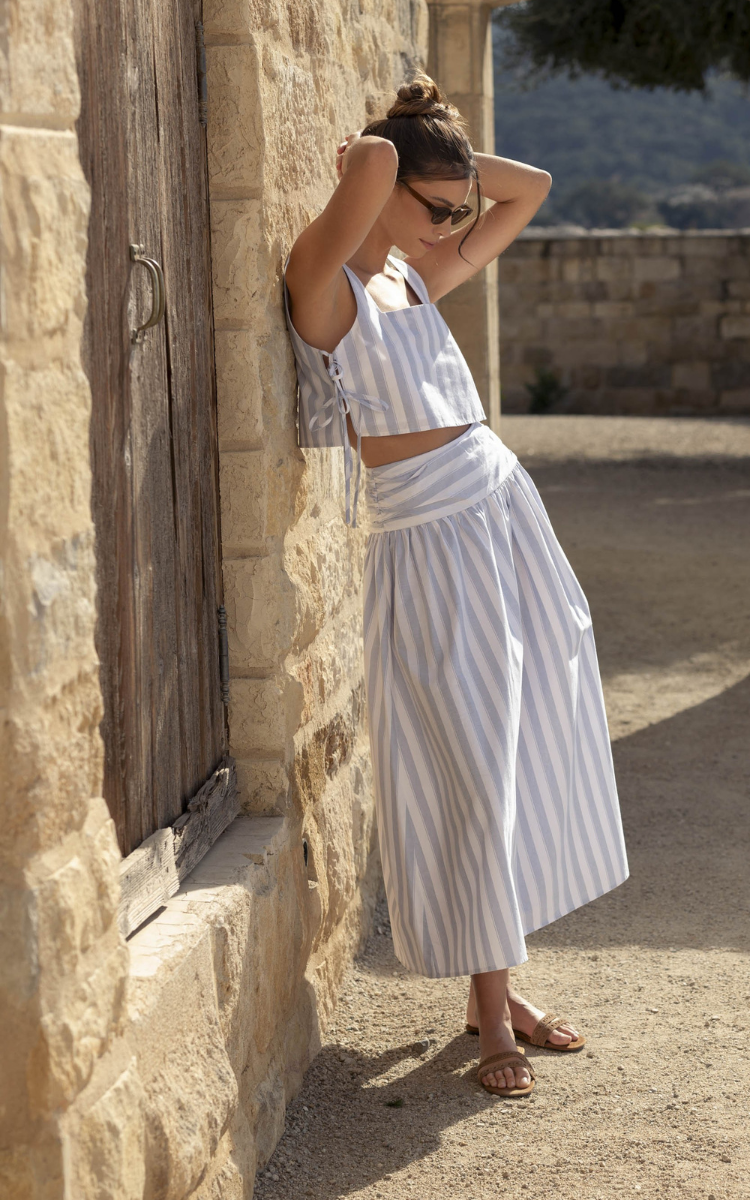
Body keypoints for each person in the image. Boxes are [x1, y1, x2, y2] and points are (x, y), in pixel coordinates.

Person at [282, 70, 628, 1099]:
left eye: (451, 214)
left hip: (501, 514)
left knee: (522, 742)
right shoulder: (328, 282)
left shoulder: (413, 278)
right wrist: (382, 143)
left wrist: (442, 163)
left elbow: (531, 187)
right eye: (435, 210)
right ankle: (491, 1016)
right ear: (375, 187)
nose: (451, 225)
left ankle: (500, 989)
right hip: (428, 542)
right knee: (471, 764)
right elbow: (383, 165)